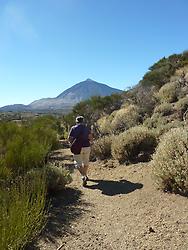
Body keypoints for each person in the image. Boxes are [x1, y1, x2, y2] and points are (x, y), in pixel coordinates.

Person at [68, 116, 92, 187]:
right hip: (87, 146)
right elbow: (90, 137)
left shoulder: (73, 128)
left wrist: (71, 144)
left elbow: (69, 139)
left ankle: (83, 175)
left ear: (76, 121)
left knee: (77, 163)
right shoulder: (86, 128)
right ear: (83, 121)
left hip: (77, 148)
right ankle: (85, 175)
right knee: (86, 162)